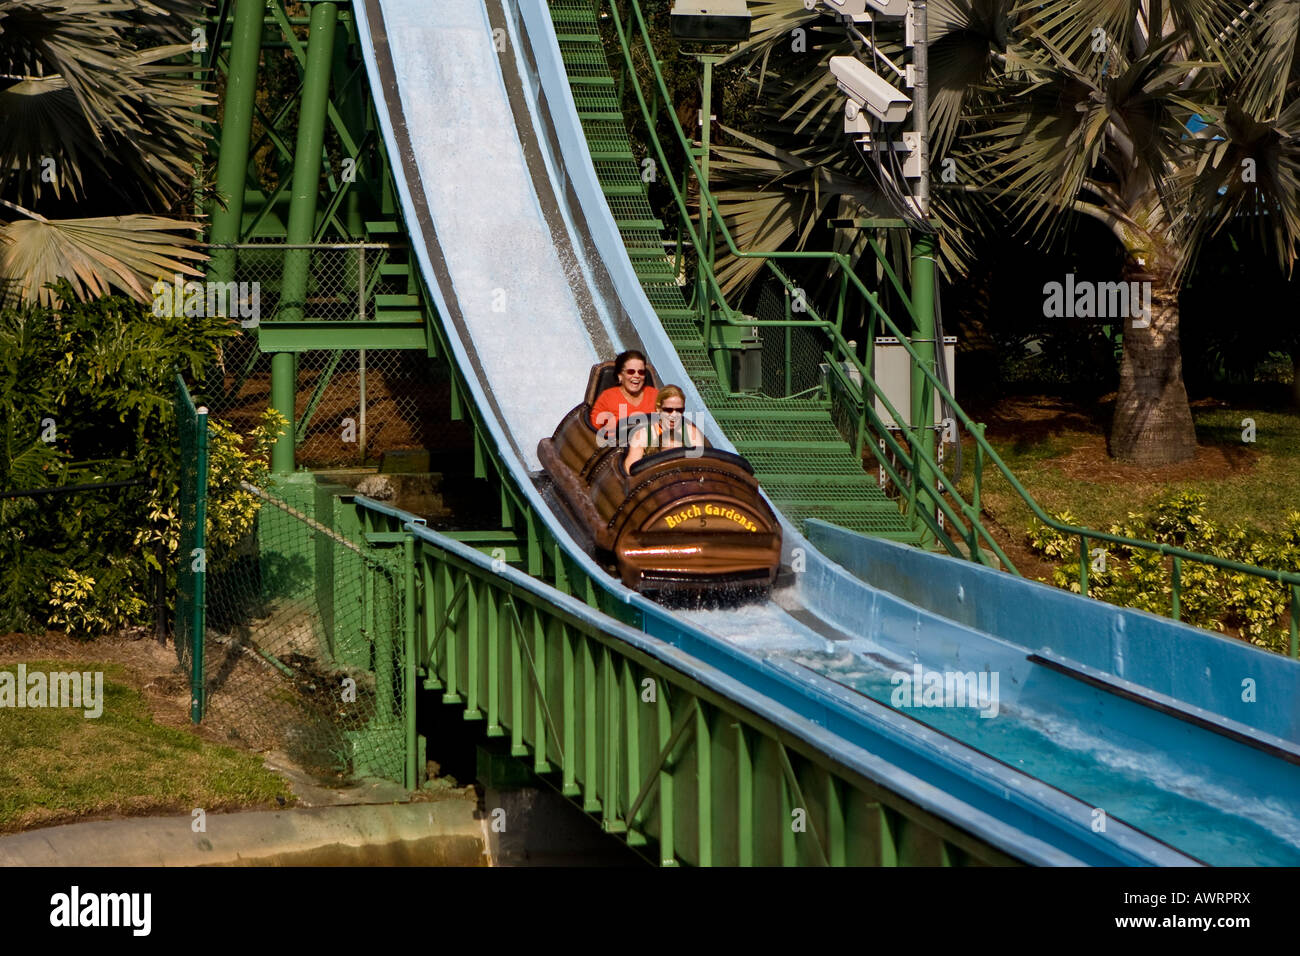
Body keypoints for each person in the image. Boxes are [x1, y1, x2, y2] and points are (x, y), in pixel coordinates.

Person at [624, 385, 703, 474]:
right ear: (658, 409)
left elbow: (701, 467)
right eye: (668, 410)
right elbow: (630, 471)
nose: (674, 415)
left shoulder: (692, 433)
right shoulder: (643, 435)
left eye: (679, 410)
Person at [590, 349, 657, 439]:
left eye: (641, 372)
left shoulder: (655, 395)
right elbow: (592, 431)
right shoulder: (607, 397)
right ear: (620, 376)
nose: (637, 376)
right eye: (631, 372)